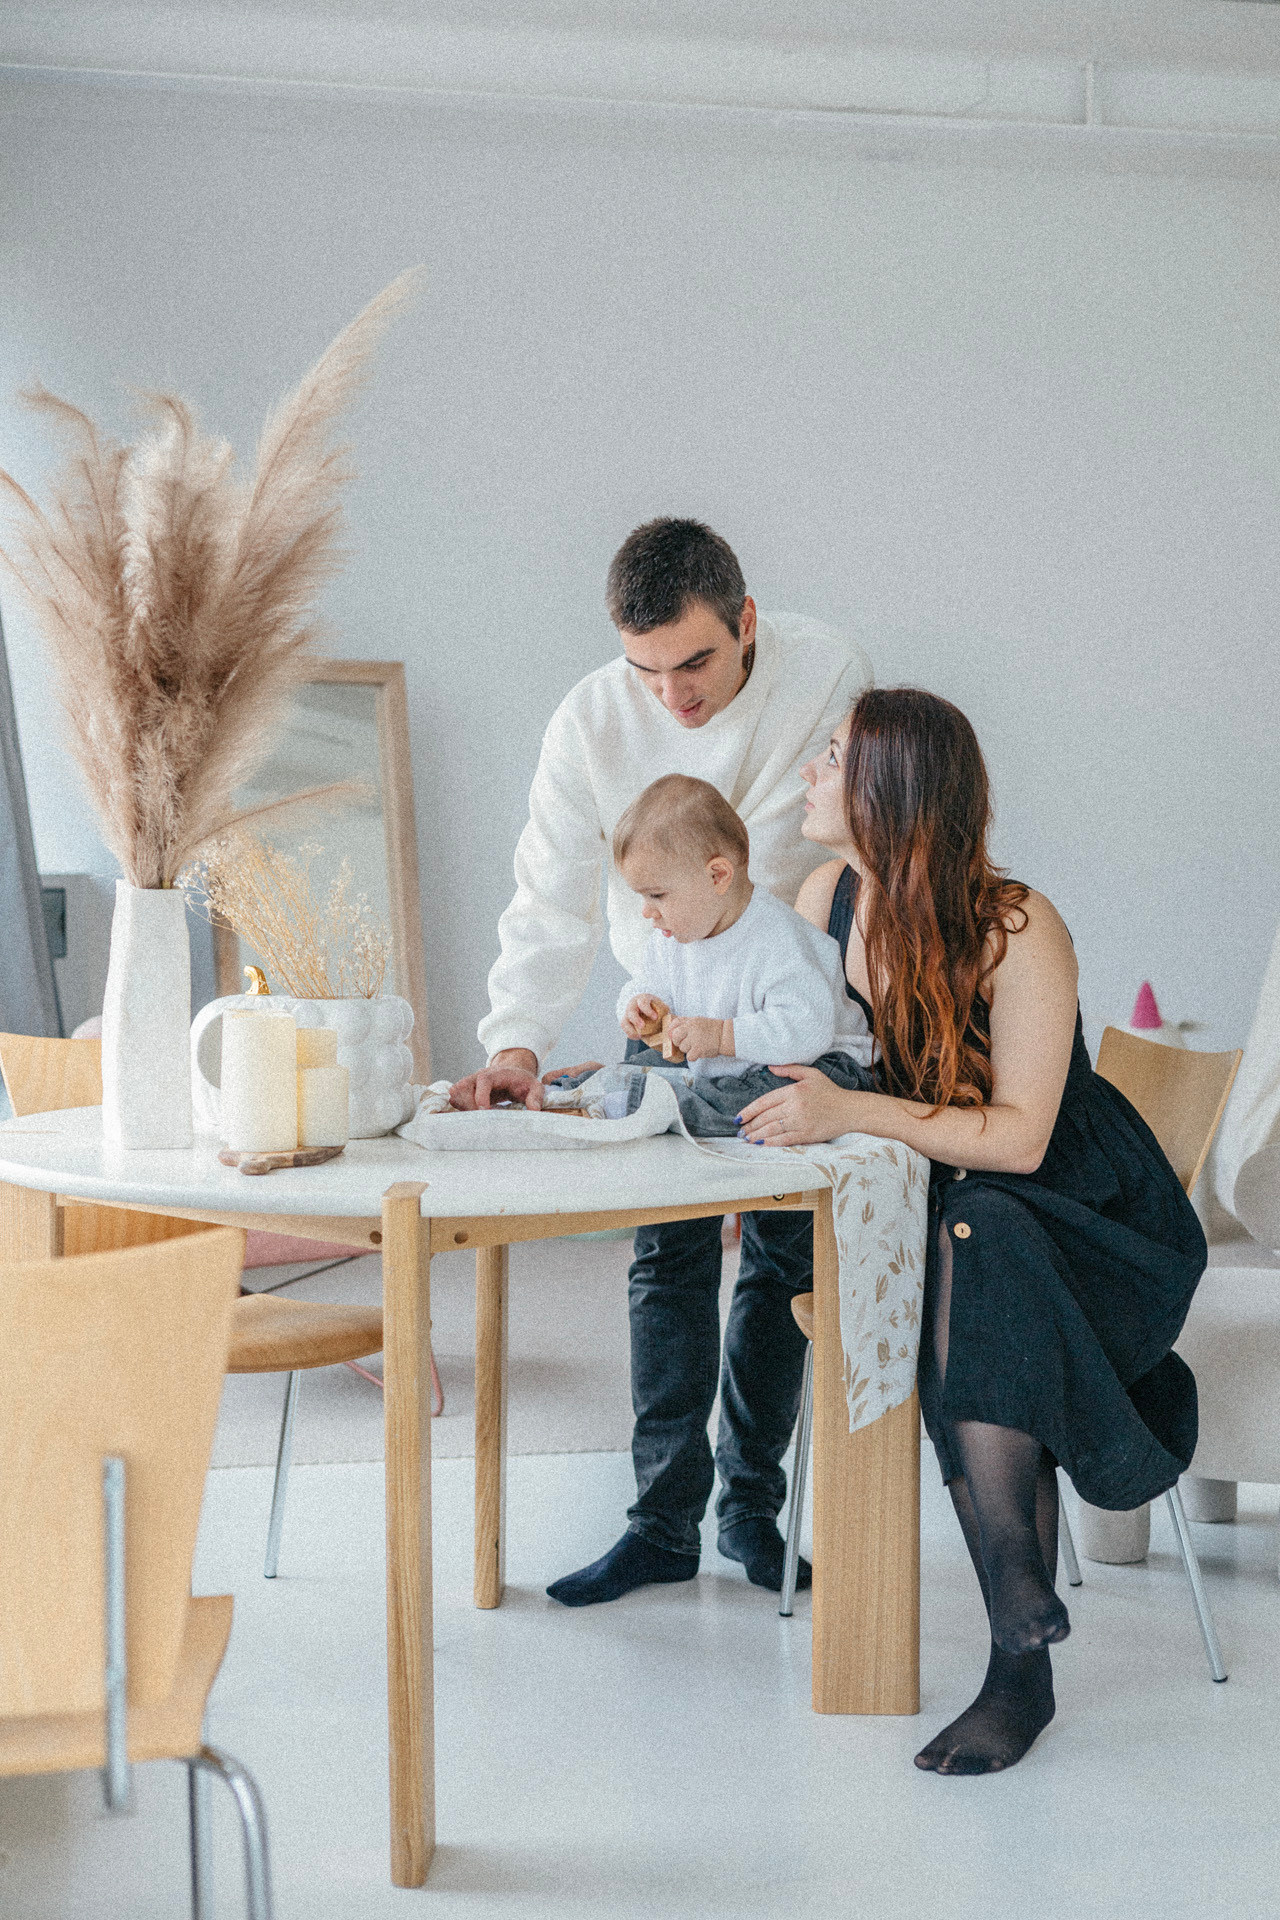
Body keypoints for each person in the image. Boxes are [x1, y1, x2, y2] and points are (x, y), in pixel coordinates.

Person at [737, 686, 1207, 1774]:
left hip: (1091, 1221)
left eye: (830, 756)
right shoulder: (826, 900)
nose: (810, 772)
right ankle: (1017, 1616)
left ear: (885, 788)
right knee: (961, 1248)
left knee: (978, 1237)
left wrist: (850, 1109)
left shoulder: (1014, 925)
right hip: (961, 1215)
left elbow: (1022, 1140)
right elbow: (796, 1047)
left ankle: (1015, 1658)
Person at [451, 519, 873, 1601]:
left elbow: (796, 874)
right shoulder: (592, 719)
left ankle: (749, 1512)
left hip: (778, 1026)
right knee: (664, 1264)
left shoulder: (821, 672)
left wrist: (744, 1042)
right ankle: (659, 1524)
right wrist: (517, 1044)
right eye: (648, 672)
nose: (673, 698)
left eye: (694, 663)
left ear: (743, 623)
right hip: (670, 1020)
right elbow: (547, 892)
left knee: (781, 1267)